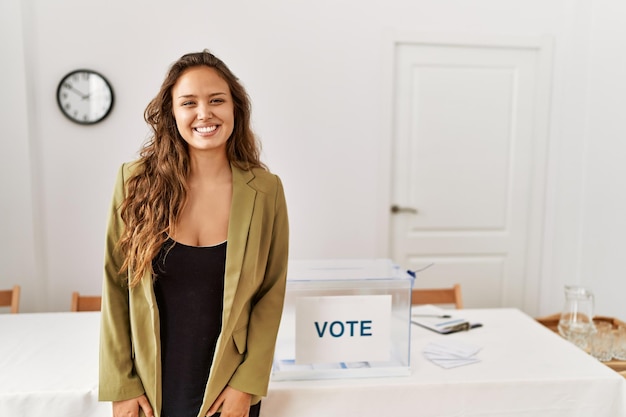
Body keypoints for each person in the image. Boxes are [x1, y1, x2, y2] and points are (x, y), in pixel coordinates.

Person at [99, 50, 289, 417]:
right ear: (172, 113)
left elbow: (271, 291)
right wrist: (121, 385)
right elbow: (115, 284)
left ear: (236, 108)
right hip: (150, 384)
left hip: (228, 385)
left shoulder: (266, 190)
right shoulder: (134, 182)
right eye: (189, 103)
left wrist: (246, 385)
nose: (205, 113)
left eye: (216, 100)